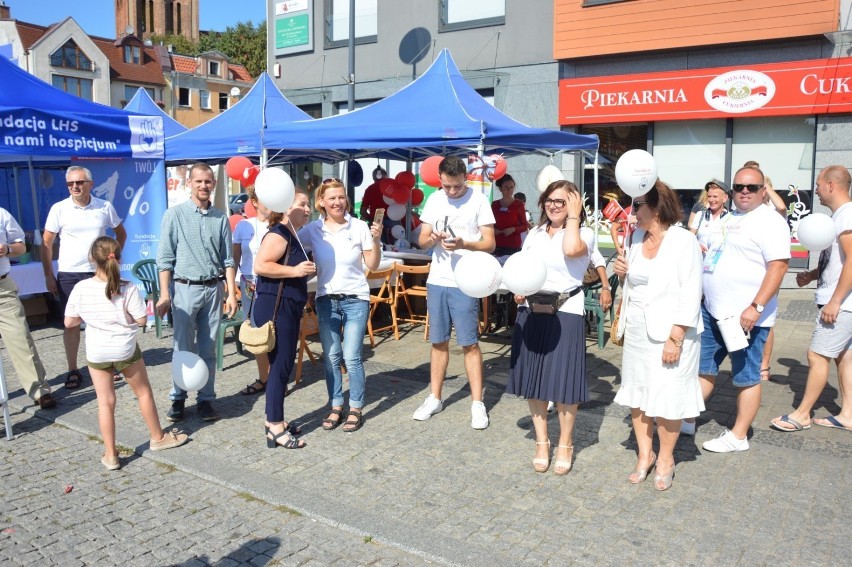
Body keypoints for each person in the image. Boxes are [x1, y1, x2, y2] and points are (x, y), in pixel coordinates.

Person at [65, 237, 188, 470]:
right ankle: (158, 437)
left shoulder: (80, 288)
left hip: (97, 351)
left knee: (105, 402)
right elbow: (142, 319)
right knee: (143, 393)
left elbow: (69, 322)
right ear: (118, 259)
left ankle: (111, 455)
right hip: (124, 348)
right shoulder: (128, 287)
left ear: (92, 259)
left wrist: (91, 316)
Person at [612, 181, 704, 491]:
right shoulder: (636, 238)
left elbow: (692, 291)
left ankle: (665, 458)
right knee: (637, 395)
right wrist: (622, 271)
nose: (632, 211)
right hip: (638, 330)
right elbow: (635, 285)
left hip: (672, 332)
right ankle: (644, 454)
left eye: (637, 205)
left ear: (656, 207)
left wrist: (675, 337)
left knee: (668, 398)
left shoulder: (683, 241)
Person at [698, 166, 790, 452]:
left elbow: (779, 266)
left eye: (752, 187)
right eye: (739, 187)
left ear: (764, 190)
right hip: (713, 310)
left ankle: (739, 436)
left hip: (746, 317)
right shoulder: (730, 218)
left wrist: (756, 306)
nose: (745, 192)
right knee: (703, 368)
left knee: (746, 377)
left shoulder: (770, 221)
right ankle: (686, 416)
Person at [506, 180, 592, 475]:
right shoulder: (534, 234)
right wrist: (518, 288)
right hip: (530, 311)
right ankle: (542, 442)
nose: (554, 205)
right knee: (535, 380)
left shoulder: (585, 234)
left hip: (566, 311)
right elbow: (523, 269)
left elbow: (571, 250)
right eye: (550, 200)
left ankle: (565, 443)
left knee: (565, 384)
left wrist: (574, 218)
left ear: (574, 204)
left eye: (562, 201)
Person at [414, 156, 496, 429]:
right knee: (437, 341)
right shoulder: (435, 200)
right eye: (447, 186)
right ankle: (434, 396)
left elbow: (490, 243)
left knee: (469, 343)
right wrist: (432, 239)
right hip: (438, 279)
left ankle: (477, 403)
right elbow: (422, 240)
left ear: (465, 178)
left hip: (466, 280)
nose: (451, 191)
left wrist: (465, 244)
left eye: (457, 186)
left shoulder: (479, 200)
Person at [770, 166, 852, 432]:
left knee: (816, 355)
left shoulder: (847, 216)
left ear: (831, 185)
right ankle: (848, 414)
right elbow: (840, 261)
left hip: (841, 304)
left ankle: (802, 414)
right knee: (844, 357)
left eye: (818, 184)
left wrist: (836, 301)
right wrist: (814, 275)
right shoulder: (840, 216)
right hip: (840, 301)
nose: (815, 189)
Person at [156, 163, 238, 423]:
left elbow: (228, 260)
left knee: (208, 348)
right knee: (182, 347)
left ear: (214, 184)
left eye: (208, 181)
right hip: (185, 289)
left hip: (214, 290)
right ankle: (178, 398)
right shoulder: (174, 215)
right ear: (189, 183)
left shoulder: (221, 218)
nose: (204, 185)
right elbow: (164, 259)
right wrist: (164, 294)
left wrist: (232, 293)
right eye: (199, 181)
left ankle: (205, 399)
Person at [299, 179, 382, 433]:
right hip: (326, 300)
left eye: (341, 197)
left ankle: (355, 407)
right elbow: (292, 246)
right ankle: (336, 404)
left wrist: (376, 241)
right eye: (331, 198)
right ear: (321, 202)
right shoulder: (313, 230)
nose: (337, 202)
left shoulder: (358, 227)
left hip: (356, 299)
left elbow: (373, 264)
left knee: (351, 357)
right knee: (332, 357)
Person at [43, 165, 126, 389]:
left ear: (90, 183)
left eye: (79, 182)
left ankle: (105, 365)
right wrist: (49, 275)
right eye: (70, 184)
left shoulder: (104, 206)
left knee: (102, 320)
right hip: (69, 273)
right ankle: (73, 369)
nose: (75, 187)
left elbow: (120, 233)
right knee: (71, 324)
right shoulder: (59, 209)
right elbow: (46, 243)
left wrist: (112, 260)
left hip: (98, 273)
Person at [254, 189, 315, 449]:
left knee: (282, 365)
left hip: (287, 306)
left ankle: (274, 420)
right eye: (303, 204)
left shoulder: (292, 235)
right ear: (287, 208)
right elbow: (261, 265)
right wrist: (295, 270)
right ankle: (275, 425)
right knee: (280, 366)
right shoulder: (278, 234)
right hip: (276, 307)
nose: (308, 209)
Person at [0, 207, 55, 409]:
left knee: (21, 338)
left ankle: (40, 390)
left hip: (2, 288)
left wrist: (6, 249)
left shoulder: (1, 214)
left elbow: (21, 247)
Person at [232, 187, 272, 396]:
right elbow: (235, 260)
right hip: (249, 282)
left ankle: (276, 378)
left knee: (274, 329)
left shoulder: (281, 225)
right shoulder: (243, 226)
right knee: (257, 331)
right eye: (264, 199)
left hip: (272, 282)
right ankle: (264, 377)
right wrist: (231, 287)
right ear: (254, 202)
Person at [491, 174, 527, 256]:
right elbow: (489, 224)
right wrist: (493, 230)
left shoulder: (519, 204)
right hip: (497, 244)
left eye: (511, 187)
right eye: (506, 187)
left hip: (513, 245)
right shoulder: (495, 205)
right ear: (500, 189)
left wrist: (513, 229)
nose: (509, 190)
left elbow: (524, 225)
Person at [691, 180, 730, 250]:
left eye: (715, 196)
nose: (711, 200)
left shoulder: (731, 218)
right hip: (701, 259)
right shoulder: (700, 215)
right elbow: (690, 238)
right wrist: (697, 246)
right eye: (709, 196)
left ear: (725, 198)